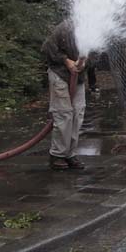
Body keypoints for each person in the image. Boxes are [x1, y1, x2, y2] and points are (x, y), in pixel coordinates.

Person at [41, 20, 87, 170]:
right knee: (64, 114)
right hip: (60, 75)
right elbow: (48, 48)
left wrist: (85, 63)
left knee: (77, 114)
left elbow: (95, 56)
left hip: (78, 78)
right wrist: (66, 61)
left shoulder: (94, 30)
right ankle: (57, 155)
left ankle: (70, 154)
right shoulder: (64, 28)